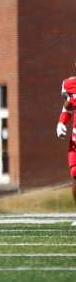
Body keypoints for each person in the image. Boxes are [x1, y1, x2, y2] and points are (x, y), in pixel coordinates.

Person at [57, 71, 76, 225]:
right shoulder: (70, 84)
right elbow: (68, 106)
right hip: (75, 141)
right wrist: (61, 123)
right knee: (75, 174)